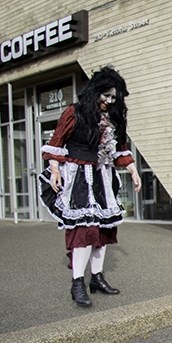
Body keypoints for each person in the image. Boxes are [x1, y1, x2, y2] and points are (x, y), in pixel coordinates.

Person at [38, 66, 142, 307]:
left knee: (102, 231)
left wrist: (133, 169)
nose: (108, 101)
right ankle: (77, 284)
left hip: (101, 176)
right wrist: (54, 169)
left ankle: (96, 278)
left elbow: (119, 149)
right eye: (105, 95)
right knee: (84, 231)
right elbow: (56, 143)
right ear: (95, 91)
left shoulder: (114, 119)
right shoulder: (74, 113)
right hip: (78, 177)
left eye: (113, 98)